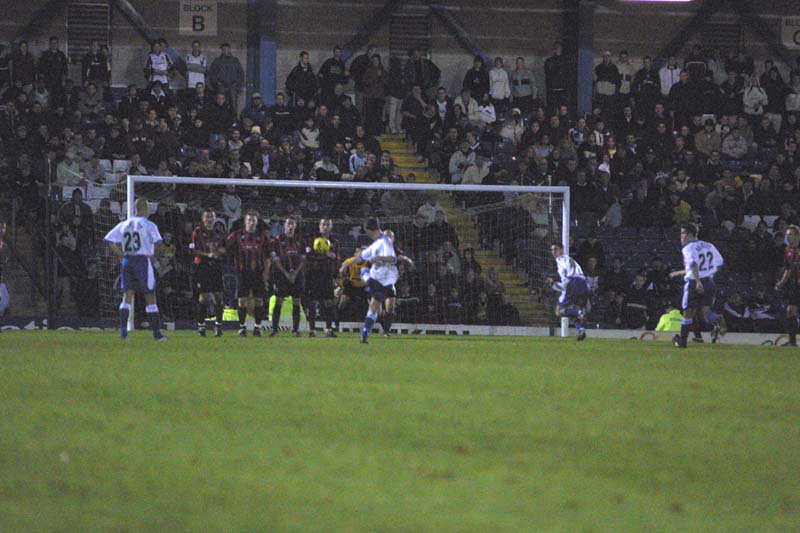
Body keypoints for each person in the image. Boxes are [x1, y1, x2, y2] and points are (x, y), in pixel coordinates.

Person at [103, 198, 166, 341]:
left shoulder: (124, 224)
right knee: (150, 296)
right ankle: (157, 334)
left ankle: (123, 330)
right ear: (146, 209)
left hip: (127, 260)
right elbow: (159, 242)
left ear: (134, 209)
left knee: (127, 296)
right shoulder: (149, 225)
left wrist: (120, 254)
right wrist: (155, 256)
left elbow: (108, 240)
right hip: (143, 260)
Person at [668, 223, 727, 348]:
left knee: (687, 312)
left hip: (695, 283)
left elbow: (693, 264)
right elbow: (720, 262)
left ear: (689, 235)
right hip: (709, 281)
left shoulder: (688, 248)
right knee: (706, 312)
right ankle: (716, 318)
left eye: (683, 233)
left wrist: (698, 282)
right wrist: (708, 273)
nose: (681, 237)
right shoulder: (709, 245)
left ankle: (682, 342)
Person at [339, 218, 397, 344]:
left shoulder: (384, 241)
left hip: (385, 279)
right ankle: (366, 334)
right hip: (379, 279)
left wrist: (379, 258)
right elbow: (361, 257)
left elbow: (393, 258)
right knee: (374, 307)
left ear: (369, 230)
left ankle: (369, 332)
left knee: (377, 308)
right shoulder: (378, 242)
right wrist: (346, 265)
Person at [225, 210, 271, 337]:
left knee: (259, 300)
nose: (251, 222)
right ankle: (242, 327)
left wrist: (266, 272)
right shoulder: (237, 235)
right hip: (242, 272)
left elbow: (268, 257)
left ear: (256, 222)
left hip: (258, 272)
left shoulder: (262, 237)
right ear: (245, 221)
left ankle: (257, 327)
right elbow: (226, 246)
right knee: (242, 300)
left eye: (253, 220)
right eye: (249, 220)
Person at [190, 208, 226, 337]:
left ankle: (218, 326)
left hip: (215, 266)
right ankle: (201, 326)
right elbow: (194, 250)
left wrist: (218, 252)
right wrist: (208, 254)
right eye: (207, 217)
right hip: (202, 266)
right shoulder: (197, 232)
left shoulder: (219, 232)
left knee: (218, 296)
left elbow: (224, 248)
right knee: (203, 297)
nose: (210, 219)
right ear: (203, 219)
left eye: (212, 217)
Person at [270, 216, 306, 337]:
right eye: (288, 224)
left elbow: (303, 259)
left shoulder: (300, 240)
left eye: (292, 224)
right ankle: (274, 330)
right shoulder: (277, 240)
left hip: (297, 275)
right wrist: (286, 273)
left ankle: (295, 330)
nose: (290, 226)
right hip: (281, 275)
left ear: (295, 226)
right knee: (279, 300)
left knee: (297, 301)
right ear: (284, 225)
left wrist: (295, 273)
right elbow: (275, 260)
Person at [304, 218, 340, 337]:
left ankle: (328, 329)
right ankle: (312, 329)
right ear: (319, 226)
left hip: (328, 275)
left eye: (328, 225)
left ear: (331, 227)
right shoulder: (312, 240)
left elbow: (336, 259)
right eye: (323, 224)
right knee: (313, 302)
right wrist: (325, 255)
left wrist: (336, 275)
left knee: (328, 302)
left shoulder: (334, 242)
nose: (325, 227)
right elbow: (308, 255)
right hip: (314, 274)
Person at [548, 242, 589, 341]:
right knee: (571, 312)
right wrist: (554, 285)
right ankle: (581, 330)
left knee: (558, 311)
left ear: (562, 250)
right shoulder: (567, 260)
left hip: (574, 282)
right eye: (552, 250)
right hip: (583, 284)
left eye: (556, 249)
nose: (553, 252)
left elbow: (570, 276)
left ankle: (580, 313)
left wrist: (554, 284)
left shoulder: (562, 259)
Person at [774, 225, 800, 347]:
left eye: (790, 234)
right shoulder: (788, 250)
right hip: (795, 285)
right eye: (787, 234)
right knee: (790, 311)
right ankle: (792, 342)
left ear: (797, 236)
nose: (787, 237)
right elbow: (788, 269)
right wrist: (781, 283)